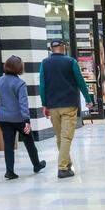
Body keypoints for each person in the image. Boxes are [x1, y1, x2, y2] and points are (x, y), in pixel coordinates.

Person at [39, 40, 93, 179]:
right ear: (63, 48)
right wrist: (88, 99)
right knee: (66, 136)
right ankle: (62, 168)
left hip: (53, 106)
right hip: (69, 104)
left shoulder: (44, 63)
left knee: (60, 137)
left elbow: (42, 85)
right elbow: (81, 81)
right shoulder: (71, 62)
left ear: (51, 49)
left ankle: (67, 163)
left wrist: (44, 104)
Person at [0, 55, 45, 181]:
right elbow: (23, 104)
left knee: (8, 145)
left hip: (4, 118)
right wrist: (27, 121)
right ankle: (36, 165)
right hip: (19, 119)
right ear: (19, 68)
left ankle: (9, 171)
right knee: (29, 143)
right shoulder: (20, 83)